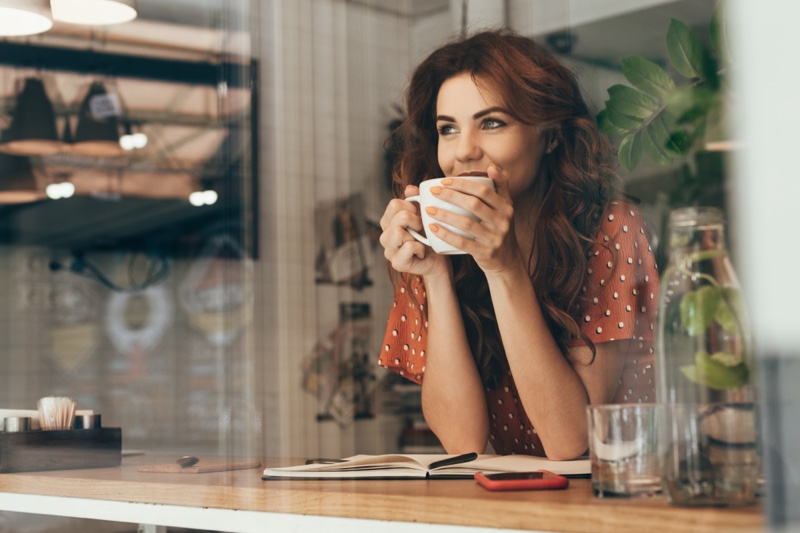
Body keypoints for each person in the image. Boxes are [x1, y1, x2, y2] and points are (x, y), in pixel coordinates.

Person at [377, 29, 659, 460]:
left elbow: (571, 442)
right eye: (447, 129)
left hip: (626, 500)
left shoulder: (609, 229)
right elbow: (462, 442)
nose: (463, 152)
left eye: (492, 123)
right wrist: (436, 277)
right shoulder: (438, 244)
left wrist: (502, 267)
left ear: (550, 137)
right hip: (523, 507)